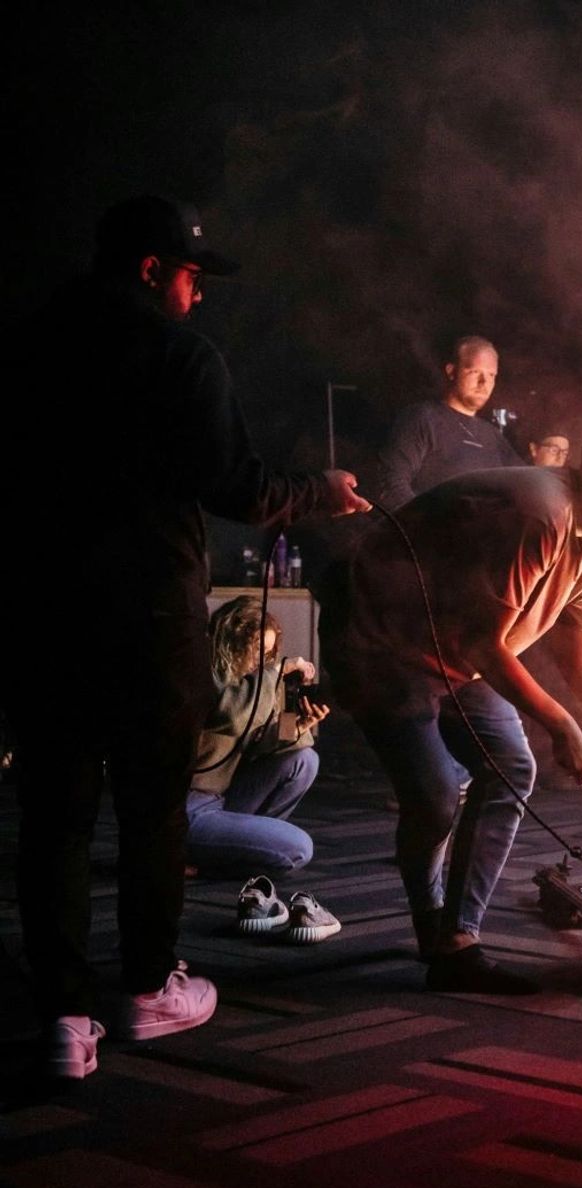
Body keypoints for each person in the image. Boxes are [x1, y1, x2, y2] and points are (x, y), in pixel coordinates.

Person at [0, 194, 371, 1079]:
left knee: (53, 819)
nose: (198, 295)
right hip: (150, 618)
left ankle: (63, 1020)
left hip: (44, 614)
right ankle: (144, 990)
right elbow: (237, 486)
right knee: (152, 810)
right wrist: (321, 492)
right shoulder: (180, 355)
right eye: (192, 276)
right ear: (150, 269)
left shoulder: (28, 346)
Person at [317, 418, 582, 994]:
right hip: (383, 645)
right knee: (434, 797)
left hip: (456, 653)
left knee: (511, 769)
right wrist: (560, 722)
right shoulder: (540, 514)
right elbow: (483, 643)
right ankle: (433, 925)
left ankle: (456, 941)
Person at [187, 596, 328, 877]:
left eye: (267, 654)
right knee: (299, 847)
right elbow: (234, 715)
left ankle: (230, 849)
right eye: (255, 650)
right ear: (231, 643)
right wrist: (277, 671)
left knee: (305, 760)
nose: (260, 662)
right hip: (188, 808)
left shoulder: (255, 684)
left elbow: (256, 745)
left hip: (222, 798)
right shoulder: (205, 673)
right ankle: (200, 862)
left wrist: (298, 728)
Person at [374, 334, 523, 511]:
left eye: (491, 375)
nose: (484, 383)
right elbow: (391, 484)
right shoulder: (422, 419)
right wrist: (426, 523)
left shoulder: (493, 437)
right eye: (475, 372)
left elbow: (525, 484)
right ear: (451, 371)